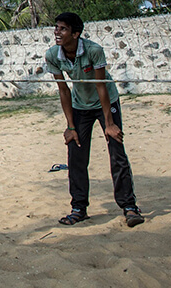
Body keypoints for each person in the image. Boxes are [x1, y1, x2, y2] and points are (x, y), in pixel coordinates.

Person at [47, 11, 144, 227]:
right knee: (76, 156)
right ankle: (79, 208)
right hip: (79, 105)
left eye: (63, 29)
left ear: (76, 33)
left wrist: (109, 124)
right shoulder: (53, 54)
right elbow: (63, 90)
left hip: (106, 102)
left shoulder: (93, 50)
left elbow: (102, 86)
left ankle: (129, 206)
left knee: (117, 153)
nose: (57, 32)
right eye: (56, 28)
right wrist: (70, 126)